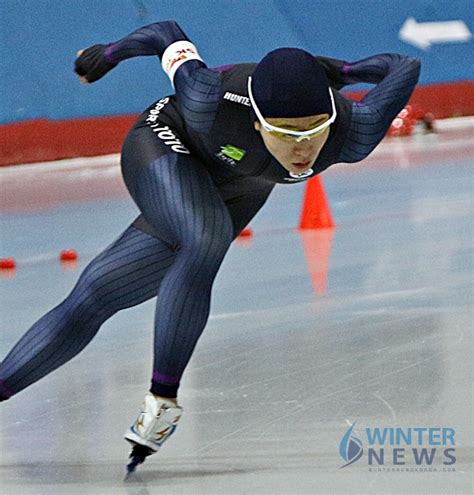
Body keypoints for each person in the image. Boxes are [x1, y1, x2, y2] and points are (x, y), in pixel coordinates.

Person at [0, 20, 421, 469]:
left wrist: (342, 69)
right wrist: (106, 56)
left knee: (97, 293)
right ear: (258, 122)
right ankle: (163, 399)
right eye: (286, 132)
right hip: (168, 141)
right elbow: (164, 33)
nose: (303, 149)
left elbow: (405, 63)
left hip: (243, 182)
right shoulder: (205, 97)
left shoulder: (354, 132)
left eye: (314, 129)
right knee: (204, 236)